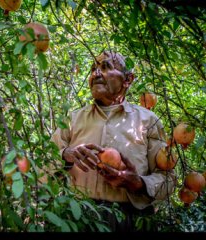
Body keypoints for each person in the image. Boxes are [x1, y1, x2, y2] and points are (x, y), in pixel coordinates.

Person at [50, 50, 176, 232]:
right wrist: (66, 155)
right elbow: (42, 166)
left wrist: (138, 183)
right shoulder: (73, 119)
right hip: (79, 216)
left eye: (106, 66)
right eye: (93, 69)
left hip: (131, 221)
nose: (96, 73)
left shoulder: (148, 121)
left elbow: (169, 179)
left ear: (128, 79)